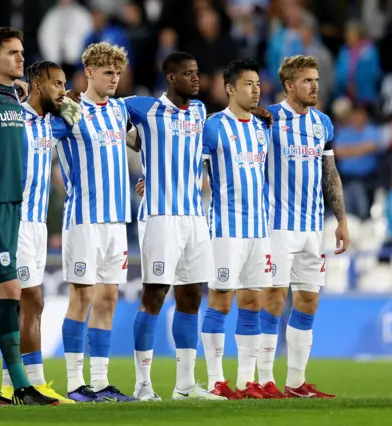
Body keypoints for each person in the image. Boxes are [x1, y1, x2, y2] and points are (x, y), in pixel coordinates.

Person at [123, 52, 226, 402]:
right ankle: (142, 384)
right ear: (170, 78)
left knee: (192, 297)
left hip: (195, 217)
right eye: (188, 74)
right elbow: (108, 113)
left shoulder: (199, 112)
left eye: (197, 72)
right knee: (154, 294)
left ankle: (185, 386)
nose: (196, 79)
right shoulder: (144, 108)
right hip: (160, 216)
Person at [0, 26, 58, 406]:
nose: (21, 58)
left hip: (16, 208)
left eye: (22, 52)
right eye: (12, 53)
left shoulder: (11, 97)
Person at [257, 55, 350, 398]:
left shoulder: (323, 123)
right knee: (275, 298)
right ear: (289, 85)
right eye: (307, 80)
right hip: (277, 226)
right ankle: (264, 380)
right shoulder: (267, 119)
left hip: (313, 228)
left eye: (316, 80)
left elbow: (330, 174)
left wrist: (340, 220)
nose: (315, 86)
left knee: (308, 300)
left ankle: (295, 382)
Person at [57, 42, 136, 403]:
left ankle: (101, 383)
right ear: (88, 72)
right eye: (107, 72)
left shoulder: (120, 112)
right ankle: (75, 384)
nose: (114, 79)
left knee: (108, 298)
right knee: (82, 296)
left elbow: (145, 142)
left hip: (117, 221)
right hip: (84, 218)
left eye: (117, 73)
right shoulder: (69, 111)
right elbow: (39, 136)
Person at [0, 60, 76, 404]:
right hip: (14, 221)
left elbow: (83, 122)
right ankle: (27, 381)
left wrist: (70, 104)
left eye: (63, 84)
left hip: (38, 224)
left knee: (28, 302)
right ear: (36, 84)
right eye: (56, 84)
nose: (61, 90)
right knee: (28, 299)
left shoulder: (52, 124)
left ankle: (14, 381)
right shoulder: (14, 119)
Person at [200, 58, 272, 400]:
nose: (255, 89)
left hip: (259, 229)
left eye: (257, 83)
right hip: (226, 229)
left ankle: (246, 381)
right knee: (220, 300)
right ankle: (216, 379)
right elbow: (188, 167)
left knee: (253, 301)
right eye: (248, 84)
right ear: (230, 88)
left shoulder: (261, 127)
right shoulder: (213, 127)